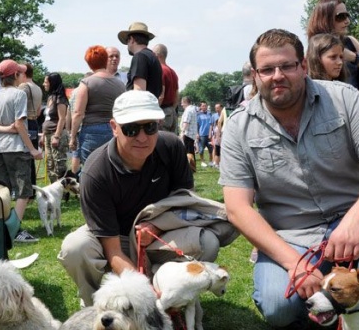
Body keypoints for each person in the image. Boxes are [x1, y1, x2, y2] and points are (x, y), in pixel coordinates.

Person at [219, 29, 359, 330]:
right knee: (278, 309)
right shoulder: (238, 126)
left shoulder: (344, 99)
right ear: (255, 76)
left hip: (356, 226)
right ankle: (328, 313)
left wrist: (355, 220)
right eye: (267, 69)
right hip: (293, 239)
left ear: (302, 65)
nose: (278, 76)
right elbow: (237, 208)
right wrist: (293, 263)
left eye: (287, 66)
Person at [58, 90, 231, 306]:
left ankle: (174, 297)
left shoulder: (172, 147)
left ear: (159, 124)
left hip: (161, 234)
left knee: (208, 242)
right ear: (114, 128)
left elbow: (184, 203)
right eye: (130, 129)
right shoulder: (96, 171)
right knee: (75, 247)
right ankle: (97, 304)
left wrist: (156, 227)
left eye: (150, 127)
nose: (142, 137)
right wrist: (143, 289)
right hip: (114, 238)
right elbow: (112, 250)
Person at [0, 60, 44, 243]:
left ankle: (2, 226)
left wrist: (5, 129)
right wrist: (33, 149)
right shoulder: (19, 94)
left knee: (4, 191)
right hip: (17, 148)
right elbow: (19, 124)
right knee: (24, 191)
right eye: (20, 73)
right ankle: (13, 231)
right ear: (16, 76)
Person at [307, 0, 359, 121]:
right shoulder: (314, 47)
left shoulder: (350, 41)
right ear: (325, 19)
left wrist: (354, 57)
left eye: (347, 15)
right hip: (332, 114)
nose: (347, 21)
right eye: (340, 17)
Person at [69, 45, 126, 167]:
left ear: (89, 63)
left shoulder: (87, 83)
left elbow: (78, 113)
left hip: (92, 131)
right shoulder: (121, 84)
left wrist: (73, 136)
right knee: (112, 167)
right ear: (106, 60)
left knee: (92, 168)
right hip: (114, 130)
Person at [118, 22, 163, 97]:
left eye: (127, 41)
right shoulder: (152, 57)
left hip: (140, 107)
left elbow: (139, 92)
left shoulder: (139, 57)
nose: (127, 45)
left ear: (131, 39)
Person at [42, 72, 70, 182]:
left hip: (56, 134)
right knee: (49, 163)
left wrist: (57, 136)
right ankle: (53, 188)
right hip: (47, 134)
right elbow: (47, 118)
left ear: (52, 83)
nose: (44, 84)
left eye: (46, 81)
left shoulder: (60, 98)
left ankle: (63, 190)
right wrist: (43, 135)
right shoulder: (50, 97)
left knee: (59, 163)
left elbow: (62, 118)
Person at [19, 62, 44, 183]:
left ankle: (26, 189)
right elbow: (39, 111)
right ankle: (32, 187)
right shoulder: (38, 88)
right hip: (34, 122)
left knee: (22, 158)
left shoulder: (23, 87)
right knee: (30, 158)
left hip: (25, 123)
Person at [152, 43, 179, 132]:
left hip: (162, 112)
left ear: (157, 55)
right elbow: (176, 96)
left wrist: (153, 112)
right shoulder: (173, 72)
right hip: (172, 112)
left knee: (161, 141)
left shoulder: (160, 70)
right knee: (170, 143)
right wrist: (171, 110)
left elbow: (161, 96)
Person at [196, 102, 211, 167]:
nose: (204, 107)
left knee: (211, 148)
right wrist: (197, 133)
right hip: (202, 134)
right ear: (201, 107)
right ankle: (202, 161)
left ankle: (211, 161)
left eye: (205, 106)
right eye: (203, 106)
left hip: (209, 134)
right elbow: (197, 125)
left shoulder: (209, 114)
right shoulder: (198, 115)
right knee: (201, 149)